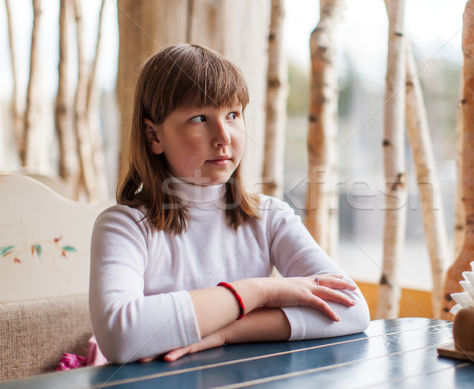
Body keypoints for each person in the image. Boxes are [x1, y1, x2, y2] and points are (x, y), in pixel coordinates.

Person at [89, 43, 370, 364]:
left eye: (233, 115)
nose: (224, 135)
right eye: (199, 118)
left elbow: (352, 310)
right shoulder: (124, 226)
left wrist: (227, 332)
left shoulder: (270, 218)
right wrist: (260, 292)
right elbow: (119, 336)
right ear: (154, 137)